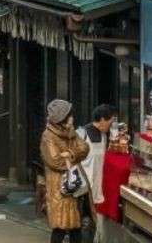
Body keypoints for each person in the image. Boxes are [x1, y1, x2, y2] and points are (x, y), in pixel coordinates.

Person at [41, 99, 90, 243]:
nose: (72, 118)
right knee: (60, 226)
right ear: (62, 118)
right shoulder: (48, 136)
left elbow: (85, 148)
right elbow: (55, 161)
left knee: (75, 225)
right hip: (59, 187)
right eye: (70, 115)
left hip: (73, 184)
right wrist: (72, 156)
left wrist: (69, 154)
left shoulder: (70, 132)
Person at [78, 104, 117, 242]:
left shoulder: (104, 136)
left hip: (98, 188)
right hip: (83, 189)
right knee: (84, 222)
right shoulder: (81, 134)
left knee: (94, 223)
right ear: (102, 119)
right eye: (109, 121)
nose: (111, 124)